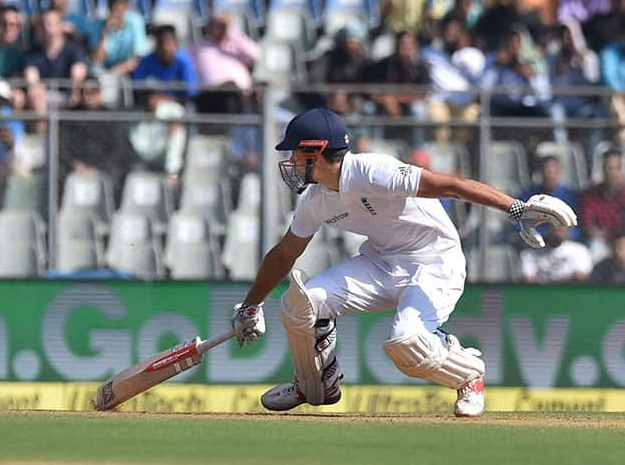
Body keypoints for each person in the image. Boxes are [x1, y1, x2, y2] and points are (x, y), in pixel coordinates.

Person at [229, 108, 577, 418]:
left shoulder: (373, 170)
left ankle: (468, 372)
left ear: (315, 150)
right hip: (381, 263)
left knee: (406, 342)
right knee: (299, 303)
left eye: (294, 151)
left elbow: (453, 186)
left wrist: (516, 209)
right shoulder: (315, 199)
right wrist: (251, 304)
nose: (290, 160)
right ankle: (315, 385)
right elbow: (285, 254)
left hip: (435, 262)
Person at [520, 223, 592, 283]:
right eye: (554, 227)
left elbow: (581, 277)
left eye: (561, 229)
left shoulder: (579, 250)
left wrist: (549, 282)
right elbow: (528, 279)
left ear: (568, 231)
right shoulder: (530, 253)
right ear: (548, 229)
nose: (557, 232)